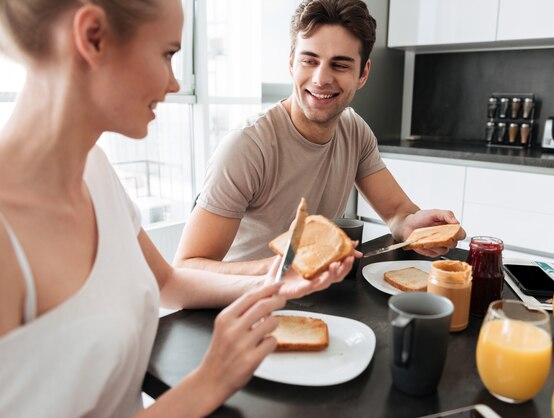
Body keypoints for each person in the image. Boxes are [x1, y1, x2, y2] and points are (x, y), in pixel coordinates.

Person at [0, 1, 355, 416]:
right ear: (92, 36)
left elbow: (169, 282)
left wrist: (275, 283)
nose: (173, 82)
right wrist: (209, 380)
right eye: (168, 54)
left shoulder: (95, 171)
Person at [174, 0, 466, 275]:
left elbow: (398, 213)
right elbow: (187, 266)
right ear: (291, 62)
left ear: (363, 73)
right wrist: (281, 268)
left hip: (312, 298)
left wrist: (415, 226)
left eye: (339, 65)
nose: (321, 79)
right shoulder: (247, 146)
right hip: (240, 308)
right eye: (309, 61)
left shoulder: (355, 131)